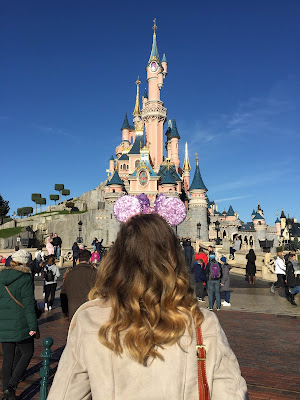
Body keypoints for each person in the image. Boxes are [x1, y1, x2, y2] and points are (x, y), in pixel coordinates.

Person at [48, 213, 247, 399]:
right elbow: (232, 393)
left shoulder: (90, 322)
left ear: (115, 259)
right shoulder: (202, 324)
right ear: (174, 259)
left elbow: (65, 394)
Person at [0, 249, 37, 400]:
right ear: (25, 262)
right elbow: (28, 305)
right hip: (21, 322)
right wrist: (33, 326)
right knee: (27, 352)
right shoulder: (25, 278)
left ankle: (6, 391)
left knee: (8, 357)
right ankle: (11, 386)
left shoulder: (1, 276)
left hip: (4, 322)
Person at [60, 250, 97, 320]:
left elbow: (63, 294)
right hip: (89, 312)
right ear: (90, 260)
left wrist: (65, 311)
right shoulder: (94, 273)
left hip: (73, 312)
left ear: (78, 260)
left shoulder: (70, 274)